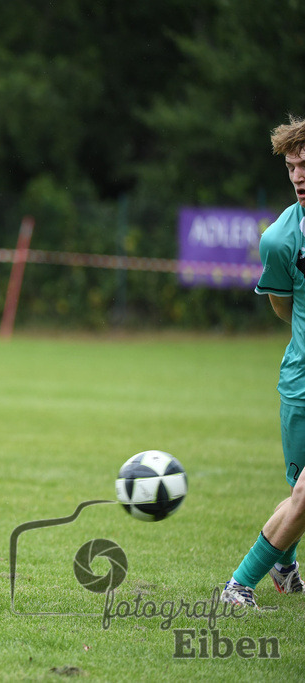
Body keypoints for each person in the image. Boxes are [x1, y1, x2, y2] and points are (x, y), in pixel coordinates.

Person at [219, 115, 305, 608]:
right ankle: (281, 565)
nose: (297, 175)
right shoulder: (280, 239)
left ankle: (239, 584)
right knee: (301, 496)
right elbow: (282, 304)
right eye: (291, 166)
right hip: (300, 383)